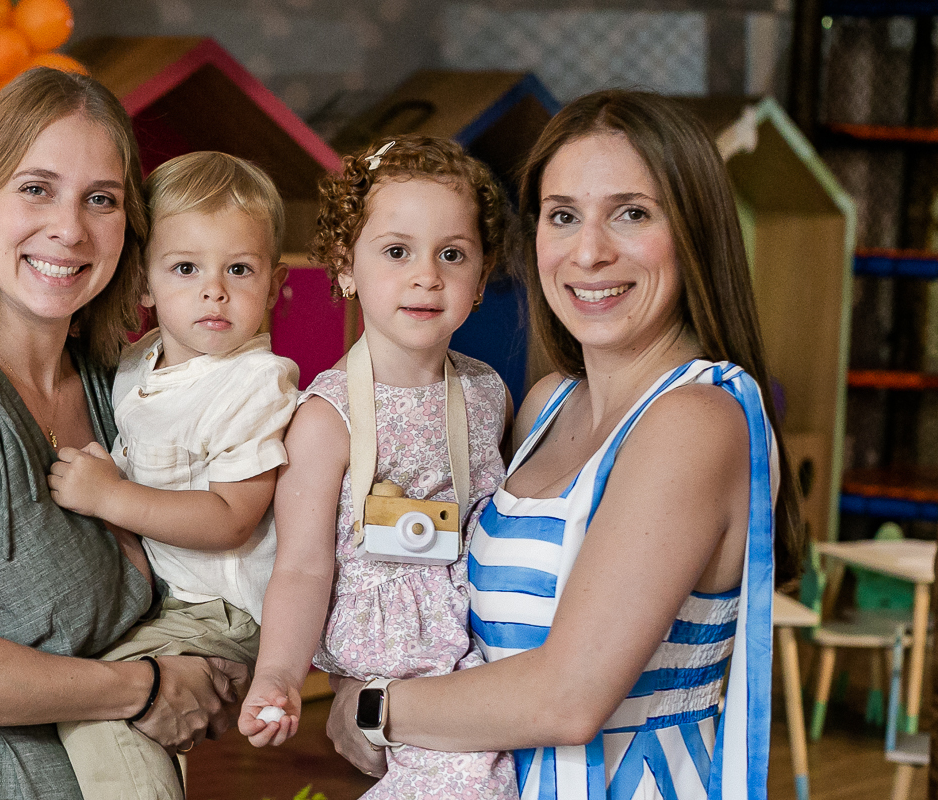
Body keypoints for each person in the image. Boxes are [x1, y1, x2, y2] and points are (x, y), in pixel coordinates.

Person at [322, 90, 802, 800]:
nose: (589, 252)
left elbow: (568, 699)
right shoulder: (546, 404)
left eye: (631, 214)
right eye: (563, 215)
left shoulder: (696, 417)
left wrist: (370, 708)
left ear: (695, 228)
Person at [0, 68, 245, 800]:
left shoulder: (117, 386)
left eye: (102, 200)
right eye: (36, 188)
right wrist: (146, 689)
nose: (70, 228)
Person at [238, 134, 519, 798]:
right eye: (397, 252)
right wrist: (278, 674)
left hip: (478, 650)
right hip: (390, 661)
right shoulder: (327, 417)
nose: (427, 275)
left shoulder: (488, 393)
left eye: (452, 255)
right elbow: (302, 565)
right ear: (345, 267)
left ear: (480, 280)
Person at [46, 150, 299, 800]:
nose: (214, 289)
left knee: (102, 701)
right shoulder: (138, 363)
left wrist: (112, 497)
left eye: (239, 269)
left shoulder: (255, 383)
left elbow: (230, 517)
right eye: (186, 268)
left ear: (274, 285)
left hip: (222, 609)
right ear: (147, 285)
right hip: (169, 598)